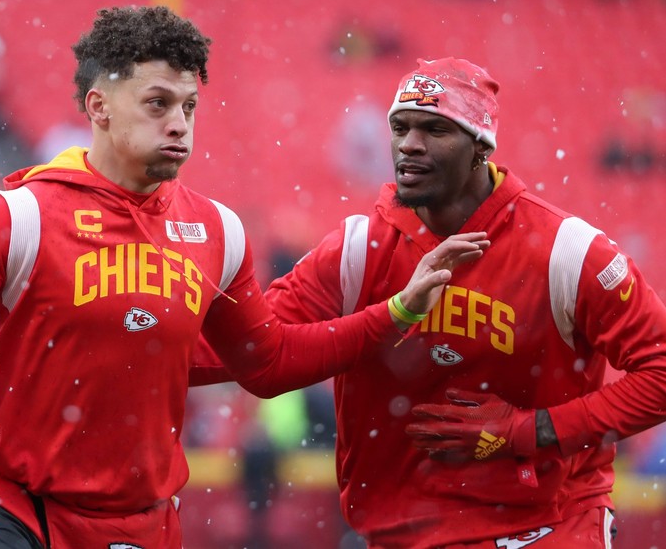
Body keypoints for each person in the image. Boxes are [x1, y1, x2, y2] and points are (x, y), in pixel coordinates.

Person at [0, 10, 489, 548]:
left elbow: (266, 364)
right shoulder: (18, 216)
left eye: (188, 106)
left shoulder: (218, 230)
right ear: (98, 107)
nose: (179, 123)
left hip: (135, 520)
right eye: (157, 103)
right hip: (1, 499)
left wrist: (397, 313)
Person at [193, 57, 666, 548]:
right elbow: (256, 355)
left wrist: (530, 430)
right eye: (401, 126)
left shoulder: (567, 250)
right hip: (402, 531)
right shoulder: (358, 248)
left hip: (546, 526)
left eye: (435, 129)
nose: (409, 144)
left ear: (481, 146)